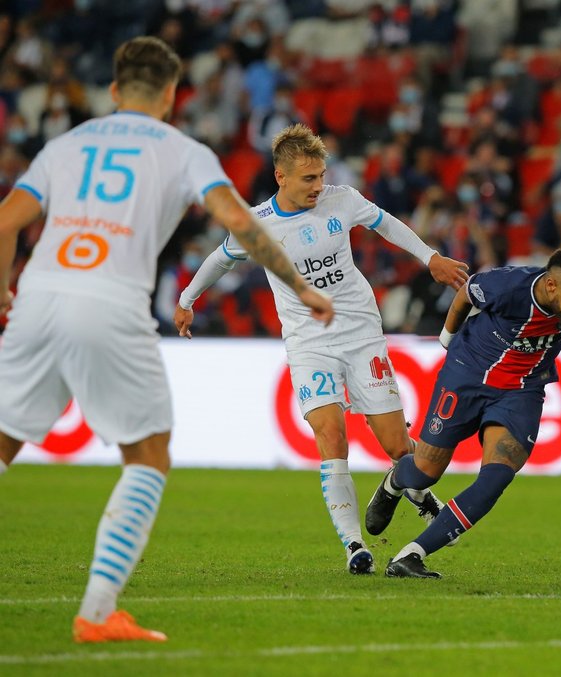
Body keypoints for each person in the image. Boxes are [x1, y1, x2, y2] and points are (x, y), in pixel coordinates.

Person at [0, 37, 334, 643]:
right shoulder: (184, 151)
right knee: (148, 455)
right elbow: (240, 222)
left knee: (2, 443)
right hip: (108, 302)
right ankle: (97, 614)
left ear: (114, 91)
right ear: (172, 95)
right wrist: (301, 287)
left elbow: (4, 222)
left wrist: (3, 288)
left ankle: (100, 615)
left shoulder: (64, 145)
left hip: (38, 296)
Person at [175, 123, 469, 576]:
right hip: (308, 341)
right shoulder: (257, 225)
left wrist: (430, 257)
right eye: (308, 178)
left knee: (397, 446)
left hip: (361, 333)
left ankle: (400, 485)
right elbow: (219, 258)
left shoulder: (342, 199)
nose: (318, 186)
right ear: (281, 177)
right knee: (331, 435)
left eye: (320, 175)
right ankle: (355, 546)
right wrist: (187, 300)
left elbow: (386, 224)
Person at [366, 243, 561, 578]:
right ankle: (397, 481)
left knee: (497, 476)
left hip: (522, 390)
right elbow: (465, 296)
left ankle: (410, 555)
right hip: (467, 376)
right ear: (550, 285)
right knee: (424, 470)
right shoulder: (507, 286)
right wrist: (446, 339)